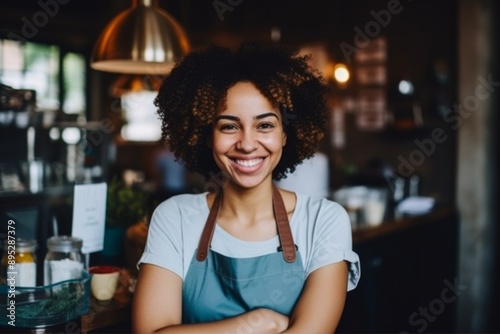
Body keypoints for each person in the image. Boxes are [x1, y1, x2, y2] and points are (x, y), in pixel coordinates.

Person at [132, 42, 360, 333]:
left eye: (265, 125)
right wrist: (255, 323)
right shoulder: (173, 218)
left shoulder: (323, 220)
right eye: (229, 126)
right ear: (206, 136)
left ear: (286, 135)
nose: (248, 144)